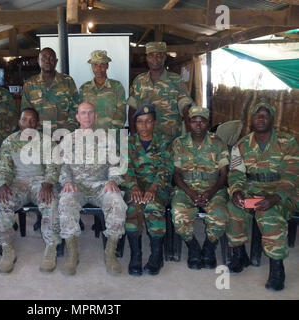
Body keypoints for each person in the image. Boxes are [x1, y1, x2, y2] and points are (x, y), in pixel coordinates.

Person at [227, 102, 298, 291]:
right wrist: (236, 191)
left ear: (272, 120)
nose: (261, 118)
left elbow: (292, 175)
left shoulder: (288, 142)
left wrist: (275, 198)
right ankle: (239, 255)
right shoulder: (241, 145)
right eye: (257, 115)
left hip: (281, 193)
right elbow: (236, 172)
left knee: (269, 214)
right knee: (234, 207)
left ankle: (277, 268)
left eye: (265, 115)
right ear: (251, 120)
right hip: (252, 189)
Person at [57, 102, 127, 276]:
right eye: (83, 113)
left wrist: (112, 180)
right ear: (77, 117)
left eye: (90, 113)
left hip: (101, 185)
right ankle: (72, 254)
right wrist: (66, 181)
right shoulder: (68, 139)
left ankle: (110, 254)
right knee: (65, 202)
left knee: (117, 202)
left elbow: (115, 164)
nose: (87, 116)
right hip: (77, 186)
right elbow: (62, 166)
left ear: (95, 116)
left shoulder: (107, 139)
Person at [0, 108, 61, 273]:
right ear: (19, 121)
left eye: (32, 120)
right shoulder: (9, 142)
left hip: (41, 181)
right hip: (18, 182)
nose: (28, 124)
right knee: (1, 201)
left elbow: (54, 166)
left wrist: (48, 184)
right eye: (24, 120)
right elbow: (3, 168)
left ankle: (51, 247)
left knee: (51, 200)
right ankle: (7, 248)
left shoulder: (47, 141)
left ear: (37, 123)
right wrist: (3, 185)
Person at [171, 106, 229, 270]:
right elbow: (176, 174)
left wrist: (210, 193)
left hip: (213, 189)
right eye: (193, 121)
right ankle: (193, 247)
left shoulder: (218, 143)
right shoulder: (179, 143)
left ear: (207, 123)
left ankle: (209, 248)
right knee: (178, 215)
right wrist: (189, 192)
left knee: (220, 215)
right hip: (185, 188)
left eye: (202, 121)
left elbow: (224, 175)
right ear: (188, 123)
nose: (198, 125)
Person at [124, 104, 173, 276]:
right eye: (140, 122)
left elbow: (166, 168)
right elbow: (125, 168)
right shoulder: (128, 143)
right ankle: (136, 255)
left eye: (148, 122)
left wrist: (153, 187)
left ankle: (156, 256)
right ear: (134, 124)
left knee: (153, 207)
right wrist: (134, 186)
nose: (144, 126)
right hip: (136, 186)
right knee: (132, 206)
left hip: (158, 187)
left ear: (155, 123)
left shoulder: (165, 142)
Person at [128, 41, 193, 141]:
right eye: (151, 55)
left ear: (164, 57)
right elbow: (132, 110)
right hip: (145, 141)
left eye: (159, 55)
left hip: (171, 141)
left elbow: (186, 109)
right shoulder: (139, 81)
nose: (155, 59)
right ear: (146, 58)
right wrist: (133, 137)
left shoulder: (176, 80)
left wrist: (190, 139)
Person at [20, 47, 79, 132]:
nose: (47, 61)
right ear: (38, 60)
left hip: (63, 134)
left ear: (56, 61)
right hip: (39, 135)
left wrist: (68, 130)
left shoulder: (67, 81)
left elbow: (75, 108)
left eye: (51, 58)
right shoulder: (29, 84)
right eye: (44, 58)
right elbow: (26, 112)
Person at [79, 50, 127, 130]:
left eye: (102, 65)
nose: (98, 68)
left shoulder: (117, 86)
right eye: (95, 65)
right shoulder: (84, 88)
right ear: (91, 67)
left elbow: (121, 113)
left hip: (113, 135)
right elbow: (81, 114)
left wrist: (111, 134)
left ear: (107, 66)